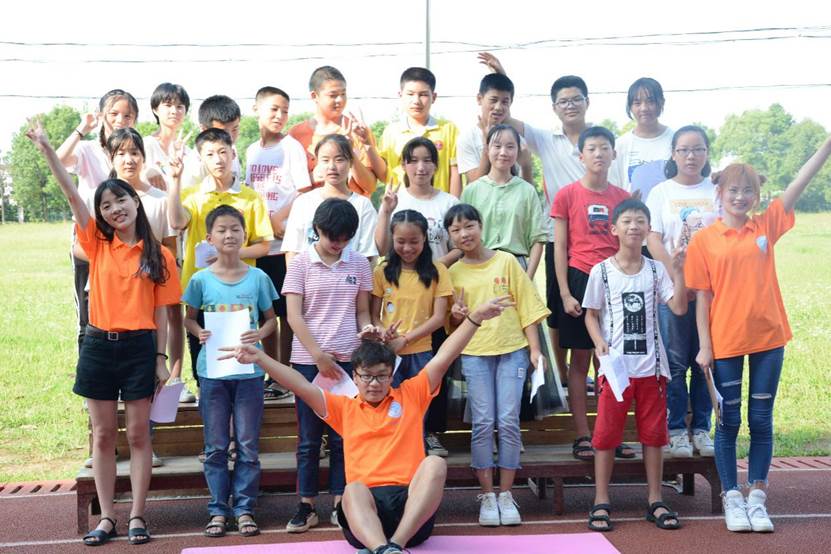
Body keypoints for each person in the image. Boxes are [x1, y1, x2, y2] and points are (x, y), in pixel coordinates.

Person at [220, 300, 513, 554]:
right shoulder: (343, 407)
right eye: (367, 376)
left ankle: (393, 546)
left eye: (381, 376)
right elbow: (298, 383)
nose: (374, 383)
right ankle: (382, 547)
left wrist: (475, 318)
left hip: (410, 512)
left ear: (391, 376)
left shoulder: (412, 395)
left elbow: (444, 356)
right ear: (355, 377)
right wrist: (261, 358)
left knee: (435, 463)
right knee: (353, 489)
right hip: (364, 514)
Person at [27, 121, 181, 546]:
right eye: (107, 205)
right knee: (103, 435)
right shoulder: (97, 242)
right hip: (97, 345)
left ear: (136, 201)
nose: (115, 209)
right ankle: (108, 517)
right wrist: (47, 149)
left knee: (139, 434)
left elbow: (163, 312)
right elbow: (72, 194)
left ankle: (138, 516)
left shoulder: (160, 254)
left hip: (139, 349)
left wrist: (161, 360)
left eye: (121, 200)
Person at [685, 135, 831, 533]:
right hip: (726, 342)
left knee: (762, 420)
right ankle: (731, 497)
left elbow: (798, 184)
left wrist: (825, 148)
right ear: (720, 192)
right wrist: (705, 347)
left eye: (748, 191)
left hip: (769, 339)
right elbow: (702, 299)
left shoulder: (766, 225)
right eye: (733, 190)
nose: (741, 197)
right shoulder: (704, 240)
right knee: (728, 421)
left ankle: (757, 496)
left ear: (756, 195)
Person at [583, 199, 687, 532]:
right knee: (605, 436)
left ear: (648, 228)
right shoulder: (601, 271)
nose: (633, 226)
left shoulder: (656, 270)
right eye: (627, 221)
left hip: (652, 370)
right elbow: (591, 315)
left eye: (640, 221)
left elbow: (679, 307)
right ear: (613, 229)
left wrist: (679, 271)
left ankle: (655, 499)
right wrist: (598, 342)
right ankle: (601, 500)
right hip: (616, 371)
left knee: (654, 436)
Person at [444, 203, 549, 527]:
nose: (464, 234)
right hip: (475, 353)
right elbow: (450, 323)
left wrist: (535, 350)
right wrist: (456, 316)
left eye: (469, 226)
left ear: (481, 226)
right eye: (456, 230)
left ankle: (506, 494)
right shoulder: (452, 273)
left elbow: (527, 306)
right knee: (482, 422)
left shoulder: (506, 261)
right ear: (449, 236)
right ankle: (487, 496)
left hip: (512, 351)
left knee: (508, 421)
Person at [281, 197, 378, 533]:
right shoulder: (300, 264)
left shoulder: (359, 263)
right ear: (316, 230)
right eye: (332, 237)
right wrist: (318, 355)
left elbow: (362, 311)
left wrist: (367, 330)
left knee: (343, 437)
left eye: (345, 238)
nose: (338, 244)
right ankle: (306, 505)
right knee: (309, 439)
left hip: (348, 362)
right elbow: (293, 316)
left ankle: (341, 503)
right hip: (309, 363)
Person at [181, 205, 278, 539]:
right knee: (216, 446)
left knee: (248, 445)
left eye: (235, 229)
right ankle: (218, 509)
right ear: (209, 238)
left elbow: (271, 320)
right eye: (221, 230)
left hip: (249, 374)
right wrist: (199, 332)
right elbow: (188, 318)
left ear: (245, 235)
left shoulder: (258, 278)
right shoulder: (200, 279)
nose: (229, 235)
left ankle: (245, 508)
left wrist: (259, 333)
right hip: (213, 374)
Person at [166, 128, 272, 382]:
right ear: (201, 158)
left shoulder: (251, 198)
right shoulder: (192, 195)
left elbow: (263, 246)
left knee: (243, 357)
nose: (218, 159)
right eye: (210, 154)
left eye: (223, 152)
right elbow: (177, 222)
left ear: (233, 153)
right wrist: (174, 180)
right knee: (204, 358)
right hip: (203, 290)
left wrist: (230, 252)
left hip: (242, 292)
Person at [551, 127, 629, 462]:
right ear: (581, 156)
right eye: (592, 148)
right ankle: (583, 434)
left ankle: (610, 434)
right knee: (580, 360)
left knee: (610, 360)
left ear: (614, 154)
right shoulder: (567, 195)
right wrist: (565, 293)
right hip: (579, 279)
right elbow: (560, 247)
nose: (599, 154)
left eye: (605, 148)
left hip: (614, 281)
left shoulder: (623, 198)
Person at [107, 128, 188, 444]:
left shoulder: (157, 199)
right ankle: (115, 438)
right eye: (121, 154)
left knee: (158, 348)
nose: (129, 160)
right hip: (117, 296)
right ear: (111, 158)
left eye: (134, 153)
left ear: (143, 156)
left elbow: (169, 244)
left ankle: (171, 389)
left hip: (154, 286)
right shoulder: (104, 199)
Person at [645, 126, 717, 459]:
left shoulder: (716, 190)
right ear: (673, 154)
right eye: (684, 150)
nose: (691, 156)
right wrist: (677, 277)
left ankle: (701, 428)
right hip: (673, 290)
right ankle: (676, 431)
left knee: (706, 359)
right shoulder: (661, 192)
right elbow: (653, 238)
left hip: (711, 292)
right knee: (674, 363)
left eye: (698, 149)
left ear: (707, 153)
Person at [56, 89, 139, 351]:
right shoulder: (88, 149)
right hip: (90, 236)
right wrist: (83, 128)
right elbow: (59, 160)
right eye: (114, 113)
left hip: (126, 236)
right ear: (102, 115)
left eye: (127, 115)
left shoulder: (135, 151)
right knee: (88, 310)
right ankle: (87, 367)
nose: (120, 120)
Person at [246, 86, 312, 395]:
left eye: (285, 110)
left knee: (286, 313)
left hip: (283, 246)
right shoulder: (250, 150)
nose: (279, 115)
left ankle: (284, 374)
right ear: (256, 109)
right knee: (265, 313)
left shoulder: (291, 147)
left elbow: (303, 190)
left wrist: (276, 220)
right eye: (273, 109)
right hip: (257, 246)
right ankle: (270, 372)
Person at [371, 209, 453, 386]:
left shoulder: (438, 271)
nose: (407, 248)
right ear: (392, 238)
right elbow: (374, 316)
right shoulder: (382, 270)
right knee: (389, 401)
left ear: (424, 238)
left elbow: (439, 318)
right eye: (401, 241)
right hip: (388, 351)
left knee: (419, 402)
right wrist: (383, 332)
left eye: (414, 241)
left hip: (421, 352)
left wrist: (405, 340)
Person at [461, 124, 546, 279]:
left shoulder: (527, 191)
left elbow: (538, 239)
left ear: (518, 151)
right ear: (487, 149)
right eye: (497, 146)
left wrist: (527, 278)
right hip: (478, 267)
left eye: (510, 147)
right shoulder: (471, 191)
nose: (503, 152)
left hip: (516, 268)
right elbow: (461, 235)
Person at [289, 66, 385, 197]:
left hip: (351, 207)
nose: (340, 100)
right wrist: (310, 178)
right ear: (314, 96)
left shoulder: (358, 132)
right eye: (333, 95)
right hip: (312, 208)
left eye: (343, 94)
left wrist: (350, 154)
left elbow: (370, 186)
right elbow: (286, 186)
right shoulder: (296, 135)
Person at [282, 134, 378, 262]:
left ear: (350, 162)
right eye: (325, 160)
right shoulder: (303, 203)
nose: (332, 167)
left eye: (339, 160)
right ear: (317, 162)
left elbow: (368, 255)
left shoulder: (363, 205)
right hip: (309, 275)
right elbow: (292, 251)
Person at [374, 137, 459, 265]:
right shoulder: (392, 202)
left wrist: (438, 265)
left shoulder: (450, 203)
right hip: (400, 276)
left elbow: (459, 247)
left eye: (427, 160)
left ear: (435, 165)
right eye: (413, 161)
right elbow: (381, 250)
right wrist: (386, 213)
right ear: (403, 165)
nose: (421, 167)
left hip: (440, 275)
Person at [379, 67, 461, 197]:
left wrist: (453, 205)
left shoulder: (449, 130)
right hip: (400, 205)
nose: (416, 101)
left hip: (438, 205)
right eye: (410, 94)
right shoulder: (390, 132)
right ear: (400, 95)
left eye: (423, 94)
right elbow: (383, 173)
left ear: (434, 97)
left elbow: (455, 172)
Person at [457, 55, 533, 184]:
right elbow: (474, 184)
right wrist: (487, 145)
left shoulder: (516, 137)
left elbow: (528, 189)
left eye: (505, 102)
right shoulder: (467, 138)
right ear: (479, 99)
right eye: (493, 100)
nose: (498, 107)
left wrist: (526, 165)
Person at [613, 78, 674, 197]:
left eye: (650, 102)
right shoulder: (620, 145)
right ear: (630, 107)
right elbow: (614, 186)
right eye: (637, 103)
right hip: (631, 209)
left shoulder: (676, 141)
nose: (644, 108)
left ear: (661, 102)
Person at [143, 82, 197, 190]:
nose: (174, 111)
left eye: (179, 106)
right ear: (155, 110)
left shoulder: (188, 153)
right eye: (168, 105)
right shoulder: (145, 145)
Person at [195, 95, 243, 180]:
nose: (230, 138)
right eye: (222, 132)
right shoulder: (196, 166)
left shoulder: (231, 149)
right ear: (203, 130)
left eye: (235, 129)